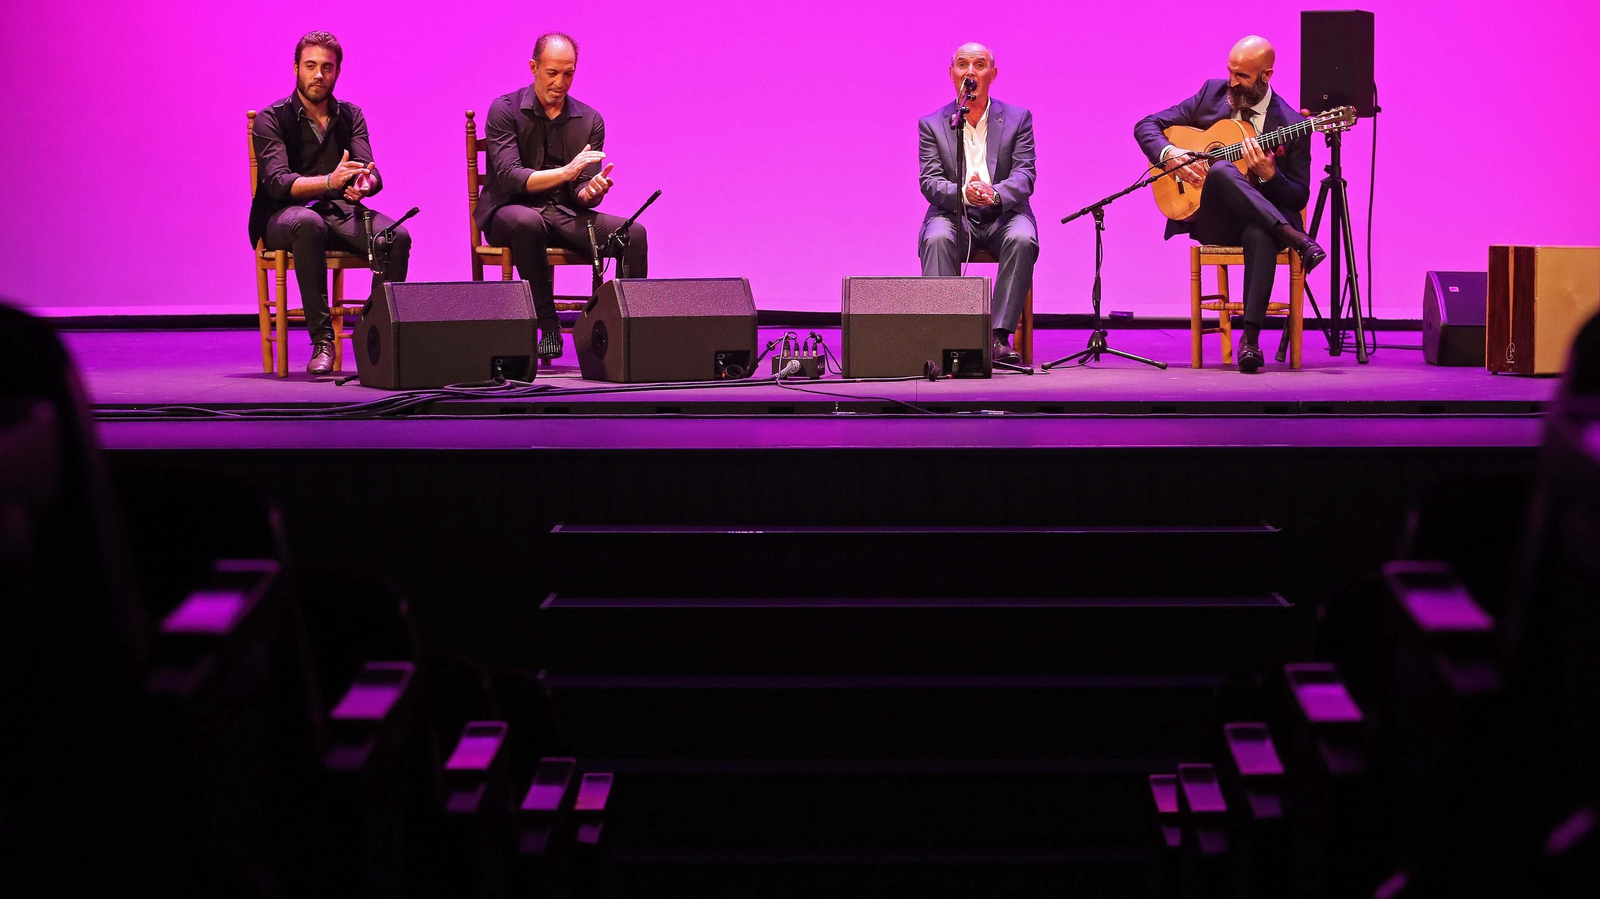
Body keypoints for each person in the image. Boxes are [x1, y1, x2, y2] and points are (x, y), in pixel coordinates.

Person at [1135, 35, 1326, 373]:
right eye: (1230, 72)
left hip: (1261, 221)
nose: (1232, 82)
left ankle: (1249, 342)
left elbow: (1299, 196)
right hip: (1215, 220)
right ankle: (1298, 240)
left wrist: (1269, 176)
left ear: (1266, 76)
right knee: (1222, 168)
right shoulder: (1212, 94)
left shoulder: (1293, 125)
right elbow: (1146, 125)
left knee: (1260, 233)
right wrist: (1170, 154)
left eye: (1242, 77)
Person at [249, 31, 411, 374]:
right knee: (308, 224)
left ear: (337, 72)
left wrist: (364, 183)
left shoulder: (351, 115)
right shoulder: (271, 118)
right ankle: (323, 341)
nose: (319, 74)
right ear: (296, 68)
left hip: (337, 212)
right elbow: (278, 182)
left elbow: (370, 170)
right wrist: (328, 182)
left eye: (327, 67)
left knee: (395, 236)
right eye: (310, 66)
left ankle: (378, 333)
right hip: (283, 217)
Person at [477, 32, 645, 359]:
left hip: (563, 214)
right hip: (508, 211)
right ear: (534, 67)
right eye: (552, 73)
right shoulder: (505, 109)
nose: (560, 82)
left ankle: (627, 333)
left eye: (568, 73)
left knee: (633, 234)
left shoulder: (590, 119)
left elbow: (581, 191)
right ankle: (548, 325)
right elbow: (511, 178)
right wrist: (567, 172)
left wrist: (591, 192)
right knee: (527, 223)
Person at [917, 42, 1039, 365]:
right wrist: (963, 194)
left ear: (992, 74)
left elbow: (1026, 175)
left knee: (1023, 237)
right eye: (962, 64)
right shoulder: (932, 124)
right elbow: (929, 181)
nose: (970, 72)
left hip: (1003, 214)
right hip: (953, 214)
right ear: (952, 74)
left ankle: (998, 337)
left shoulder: (1017, 118)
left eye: (979, 65)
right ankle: (946, 336)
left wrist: (995, 194)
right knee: (937, 237)